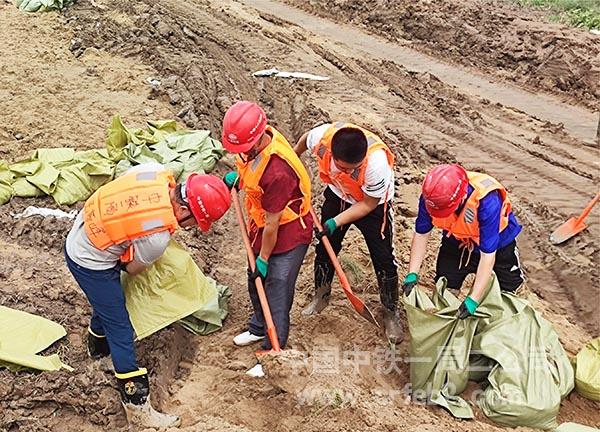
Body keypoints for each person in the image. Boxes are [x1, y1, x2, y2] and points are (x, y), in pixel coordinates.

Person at [64, 163, 230, 428]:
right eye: (196, 222)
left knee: (107, 301)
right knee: (120, 327)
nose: (193, 228)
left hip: (82, 230)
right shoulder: (156, 238)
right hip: (90, 261)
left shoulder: (154, 172)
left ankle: (96, 348)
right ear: (185, 210)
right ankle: (138, 410)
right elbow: (132, 269)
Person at [221, 101, 313, 376]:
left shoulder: (278, 172)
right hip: (263, 226)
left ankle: (274, 349)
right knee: (255, 278)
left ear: (258, 137)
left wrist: (263, 258)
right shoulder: (257, 145)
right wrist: (239, 178)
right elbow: (252, 170)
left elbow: (274, 223)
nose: (241, 153)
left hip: (289, 231)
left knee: (277, 286)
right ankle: (258, 326)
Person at [294, 121, 402, 345]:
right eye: (343, 168)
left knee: (383, 258)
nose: (349, 172)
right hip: (338, 194)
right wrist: (292, 163)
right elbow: (304, 140)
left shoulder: (376, 165)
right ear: (332, 153)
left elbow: (367, 205)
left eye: (354, 168)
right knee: (325, 246)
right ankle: (321, 296)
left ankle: (391, 312)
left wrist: (335, 222)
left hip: (373, 206)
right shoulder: (322, 138)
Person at [402, 164, 524, 318]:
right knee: (445, 287)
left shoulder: (487, 202)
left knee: (510, 291)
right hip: (457, 240)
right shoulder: (432, 198)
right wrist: (412, 273)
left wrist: (473, 299)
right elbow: (421, 234)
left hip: (499, 244)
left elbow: (488, 255)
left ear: (462, 197)